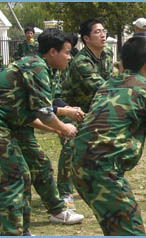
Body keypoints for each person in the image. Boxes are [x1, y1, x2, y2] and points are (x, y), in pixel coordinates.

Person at [0, 28, 79, 236]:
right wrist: (65, 128)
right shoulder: (37, 67)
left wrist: (57, 130)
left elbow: (29, 114)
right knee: (13, 177)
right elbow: (44, 112)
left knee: (24, 173)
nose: (70, 57)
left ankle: (21, 231)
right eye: (67, 52)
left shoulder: (41, 66)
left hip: (3, 121)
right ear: (53, 51)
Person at [71, 36, 146, 236]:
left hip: (78, 165)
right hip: (104, 170)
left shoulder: (106, 85)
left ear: (122, 63)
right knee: (131, 231)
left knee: (115, 228)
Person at [57, 19, 115, 210]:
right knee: (71, 147)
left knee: (99, 148)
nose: (103, 34)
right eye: (97, 32)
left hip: (93, 109)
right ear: (86, 39)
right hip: (71, 110)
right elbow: (101, 86)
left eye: (103, 31)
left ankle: (93, 183)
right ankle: (64, 192)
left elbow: (110, 80)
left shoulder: (107, 54)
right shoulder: (81, 61)